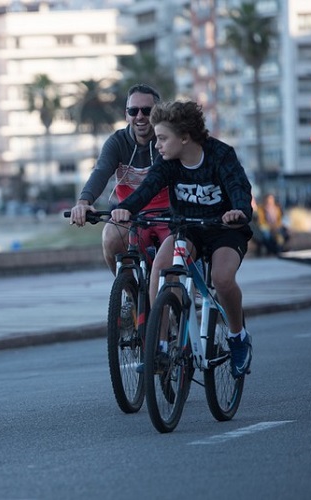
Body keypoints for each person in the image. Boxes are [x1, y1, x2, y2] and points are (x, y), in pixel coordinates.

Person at [111, 100, 254, 378]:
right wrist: (126, 208)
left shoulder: (220, 155)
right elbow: (148, 188)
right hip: (187, 228)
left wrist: (239, 211)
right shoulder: (167, 163)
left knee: (223, 279)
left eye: (162, 138)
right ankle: (161, 347)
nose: (157, 145)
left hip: (225, 228)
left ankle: (238, 337)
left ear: (185, 137)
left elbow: (239, 189)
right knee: (161, 267)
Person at [69, 83, 170, 275]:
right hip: (130, 214)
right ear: (126, 115)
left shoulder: (167, 140)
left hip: (169, 215)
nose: (139, 116)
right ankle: (128, 292)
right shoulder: (117, 143)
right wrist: (83, 202)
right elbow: (100, 172)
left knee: (181, 253)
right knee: (110, 237)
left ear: (158, 114)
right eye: (133, 111)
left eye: (147, 110)